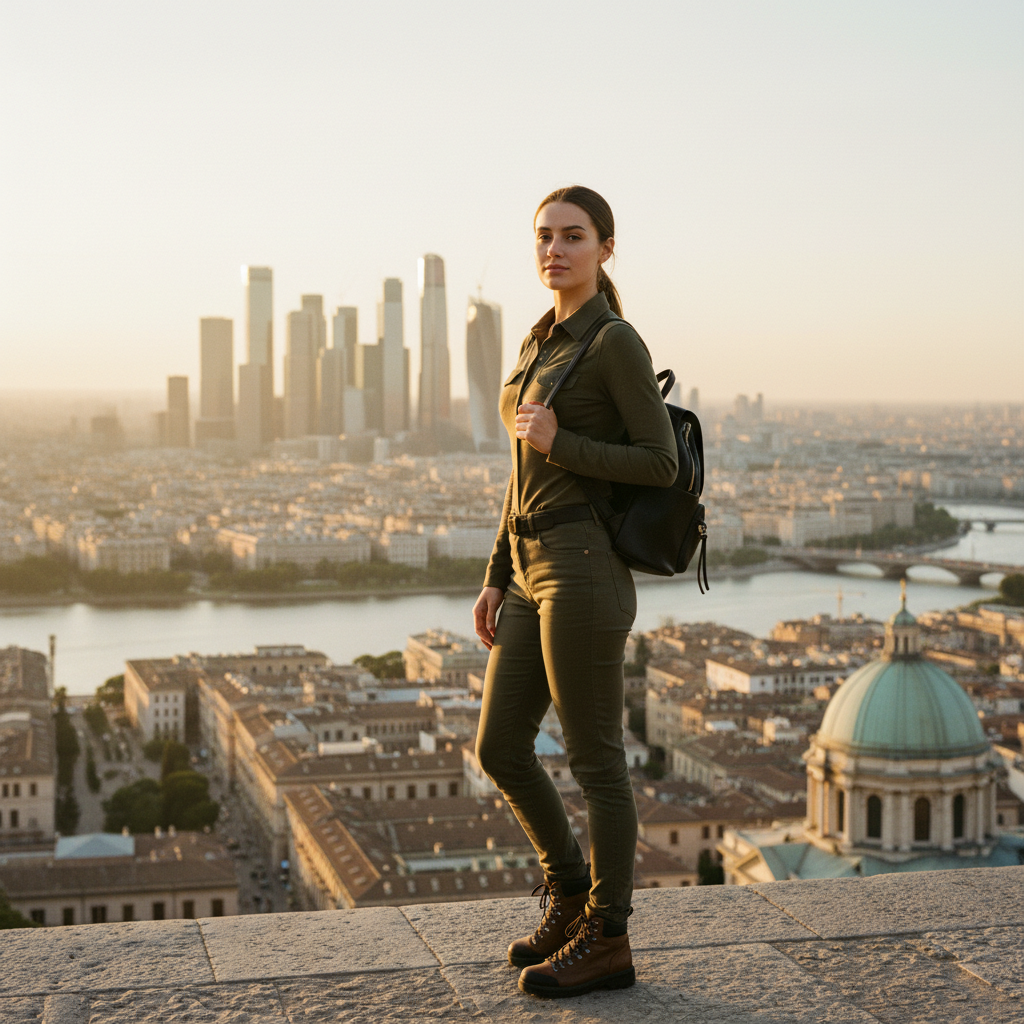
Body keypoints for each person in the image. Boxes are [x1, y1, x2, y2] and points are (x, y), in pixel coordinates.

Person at [473, 185, 677, 998]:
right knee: (499, 747)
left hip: (583, 568)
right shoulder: (538, 342)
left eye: (573, 237)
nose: (554, 250)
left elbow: (660, 464)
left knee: (596, 762)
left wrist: (568, 442)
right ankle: (567, 895)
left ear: (605, 248)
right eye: (544, 238)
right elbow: (520, 471)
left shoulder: (613, 341)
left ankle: (609, 937)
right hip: (527, 567)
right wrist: (494, 573)